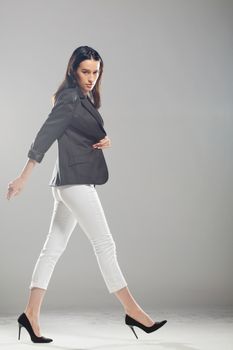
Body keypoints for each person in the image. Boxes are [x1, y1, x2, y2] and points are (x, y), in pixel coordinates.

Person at [6, 46, 167, 343]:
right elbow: (45, 135)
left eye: (96, 71)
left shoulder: (83, 98)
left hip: (69, 181)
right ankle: (133, 311)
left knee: (51, 249)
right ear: (73, 70)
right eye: (85, 71)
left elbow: (75, 132)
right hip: (75, 182)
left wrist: (102, 139)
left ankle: (30, 314)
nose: (91, 77)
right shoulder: (69, 97)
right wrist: (23, 176)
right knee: (104, 243)